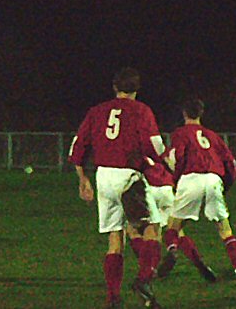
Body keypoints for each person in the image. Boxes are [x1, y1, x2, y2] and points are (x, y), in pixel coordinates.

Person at [68, 67, 166, 309]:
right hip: (128, 177)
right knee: (152, 228)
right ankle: (144, 279)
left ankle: (113, 297)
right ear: (137, 89)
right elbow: (154, 145)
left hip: (104, 177)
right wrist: (163, 163)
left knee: (115, 238)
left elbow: (77, 147)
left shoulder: (97, 111)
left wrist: (83, 179)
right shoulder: (141, 110)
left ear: (115, 87)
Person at [158, 98, 236, 287]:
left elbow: (178, 156)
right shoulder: (212, 135)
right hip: (213, 179)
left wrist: (175, 180)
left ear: (184, 114)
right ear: (200, 114)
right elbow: (231, 163)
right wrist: (226, 185)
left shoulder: (180, 133)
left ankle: (173, 249)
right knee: (225, 231)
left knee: (173, 226)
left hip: (191, 178)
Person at [126, 155, 217, 283]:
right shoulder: (161, 154)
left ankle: (149, 268)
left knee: (135, 231)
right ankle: (194, 259)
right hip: (167, 189)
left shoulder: (135, 154)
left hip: (148, 190)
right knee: (176, 230)